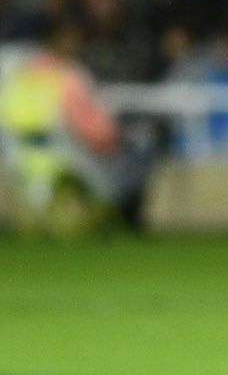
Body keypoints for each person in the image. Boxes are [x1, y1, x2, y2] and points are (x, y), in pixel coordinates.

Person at [0, 21, 151, 235]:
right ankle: (125, 218)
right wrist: (119, 139)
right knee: (140, 153)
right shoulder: (68, 77)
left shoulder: (20, 78)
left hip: (24, 160)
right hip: (73, 158)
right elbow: (98, 130)